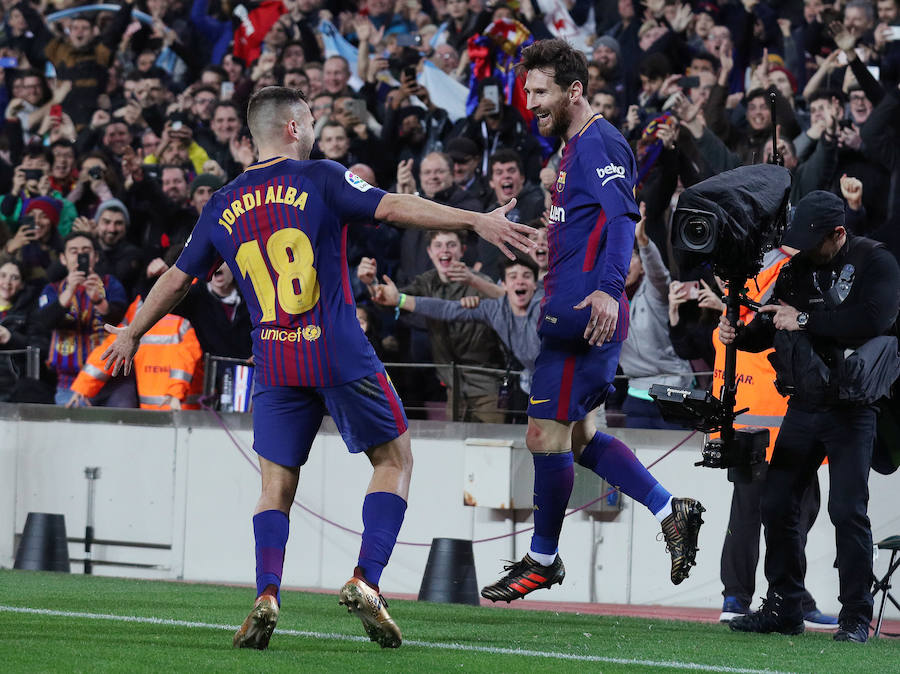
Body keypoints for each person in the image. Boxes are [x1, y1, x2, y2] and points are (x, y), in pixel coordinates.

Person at [100, 86, 535, 651]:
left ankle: (266, 592)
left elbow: (179, 278)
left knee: (275, 486)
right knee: (395, 457)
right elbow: (393, 206)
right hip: (335, 350)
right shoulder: (322, 177)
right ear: (290, 128)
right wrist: (473, 220)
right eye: (309, 120)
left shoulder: (221, 203)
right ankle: (366, 579)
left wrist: (133, 330)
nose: (313, 128)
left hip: (274, 360)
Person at [479, 39, 705, 604]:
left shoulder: (601, 141)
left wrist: (607, 290)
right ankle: (668, 508)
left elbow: (623, 215)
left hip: (588, 320)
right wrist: (547, 238)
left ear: (574, 89)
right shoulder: (575, 147)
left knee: (542, 435)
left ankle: (543, 558)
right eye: (527, 91)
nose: (530, 102)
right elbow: (586, 224)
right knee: (579, 438)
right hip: (570, 316)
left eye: (540, 92)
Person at [723, 191, 900, 643]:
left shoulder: (877, 263)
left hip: (852, 408)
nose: (801, 250)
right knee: (776, 502)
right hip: (803, 404)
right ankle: (784, 605)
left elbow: (871, 321)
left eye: (812, 240)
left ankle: (856, 616)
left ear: (838, 234)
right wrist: (739, 334)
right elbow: (768, 325)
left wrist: (800, 319)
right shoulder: (797, 266)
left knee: (847, 510)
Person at [711, 247, 837, 629]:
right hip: (776, 420)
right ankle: (753, 594)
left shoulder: (748, 286)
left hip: (779, 419)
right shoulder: (780, 277)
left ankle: (775, 594)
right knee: (771, 511)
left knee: (777, 511)